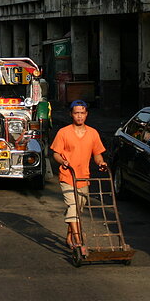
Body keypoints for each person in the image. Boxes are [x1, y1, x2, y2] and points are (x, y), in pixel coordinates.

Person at [50, 99, 107, 250]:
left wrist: (101, 163)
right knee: (73, 206)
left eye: (82, 113)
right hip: (68, 176)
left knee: (78, 209)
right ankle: (79, 241)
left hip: (84, 178)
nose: (79, 116)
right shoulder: (64, 133)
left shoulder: (93, 133)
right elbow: (56, 153)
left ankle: (69, 236)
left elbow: (97, 154)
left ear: (86, 114)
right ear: (71, 114)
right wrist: (62, 161)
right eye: (76, 113)